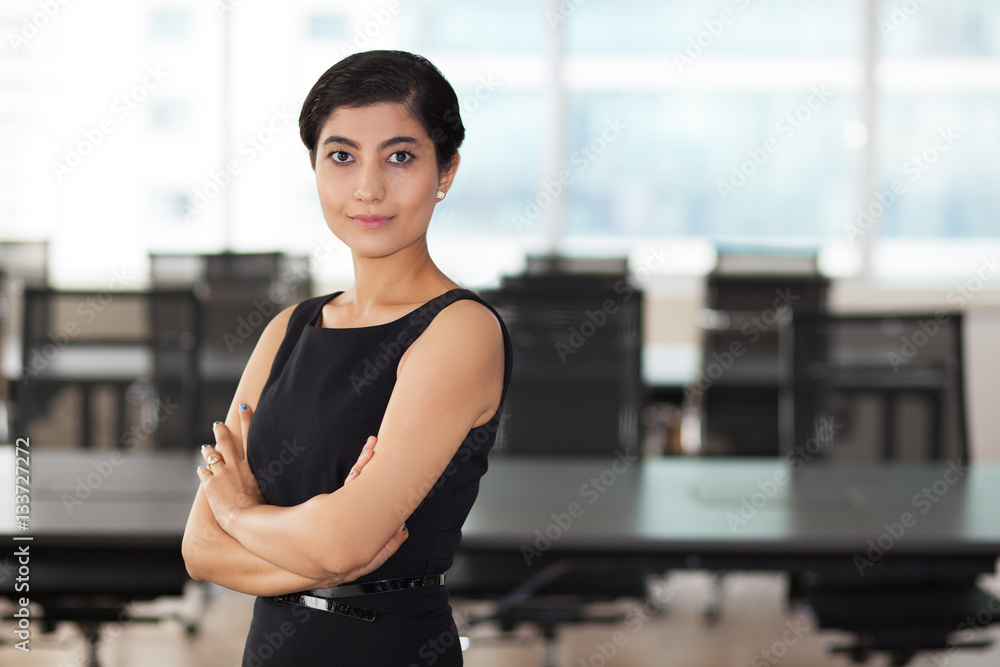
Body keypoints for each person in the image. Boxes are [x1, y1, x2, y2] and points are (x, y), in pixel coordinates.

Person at [181, 50, 513, 666]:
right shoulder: (288, 328)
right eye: (341, 156)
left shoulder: (460, 330)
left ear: (447, 170)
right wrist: (324, 540)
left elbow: (340, 544)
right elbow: (201, 549)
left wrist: (239, 511)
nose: (368, 187)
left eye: (401, 156)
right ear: (314, 167)